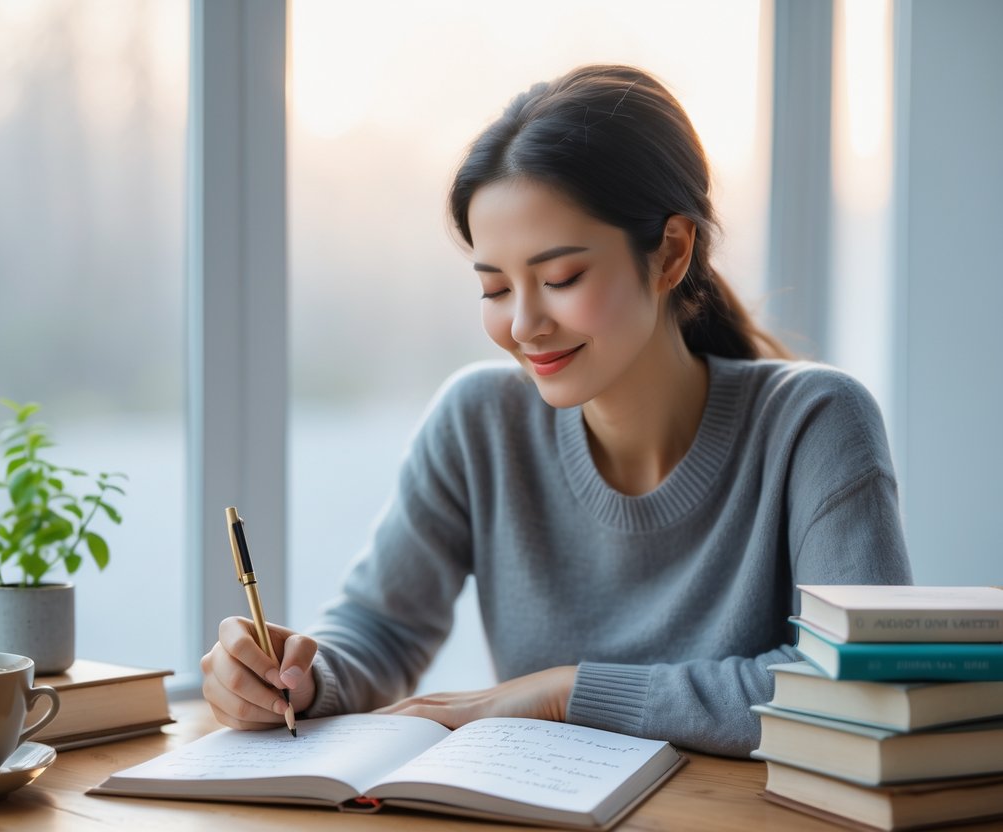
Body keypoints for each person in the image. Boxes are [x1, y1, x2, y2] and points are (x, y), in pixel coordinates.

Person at [200, 64, 912, 757]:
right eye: (494, 289)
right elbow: (380, 629)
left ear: (669, 253)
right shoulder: (478, 422)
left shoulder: (814, 423)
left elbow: (857, 680)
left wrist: (565, 694)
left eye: (560, 278)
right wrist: (291, 679)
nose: (524, 324)